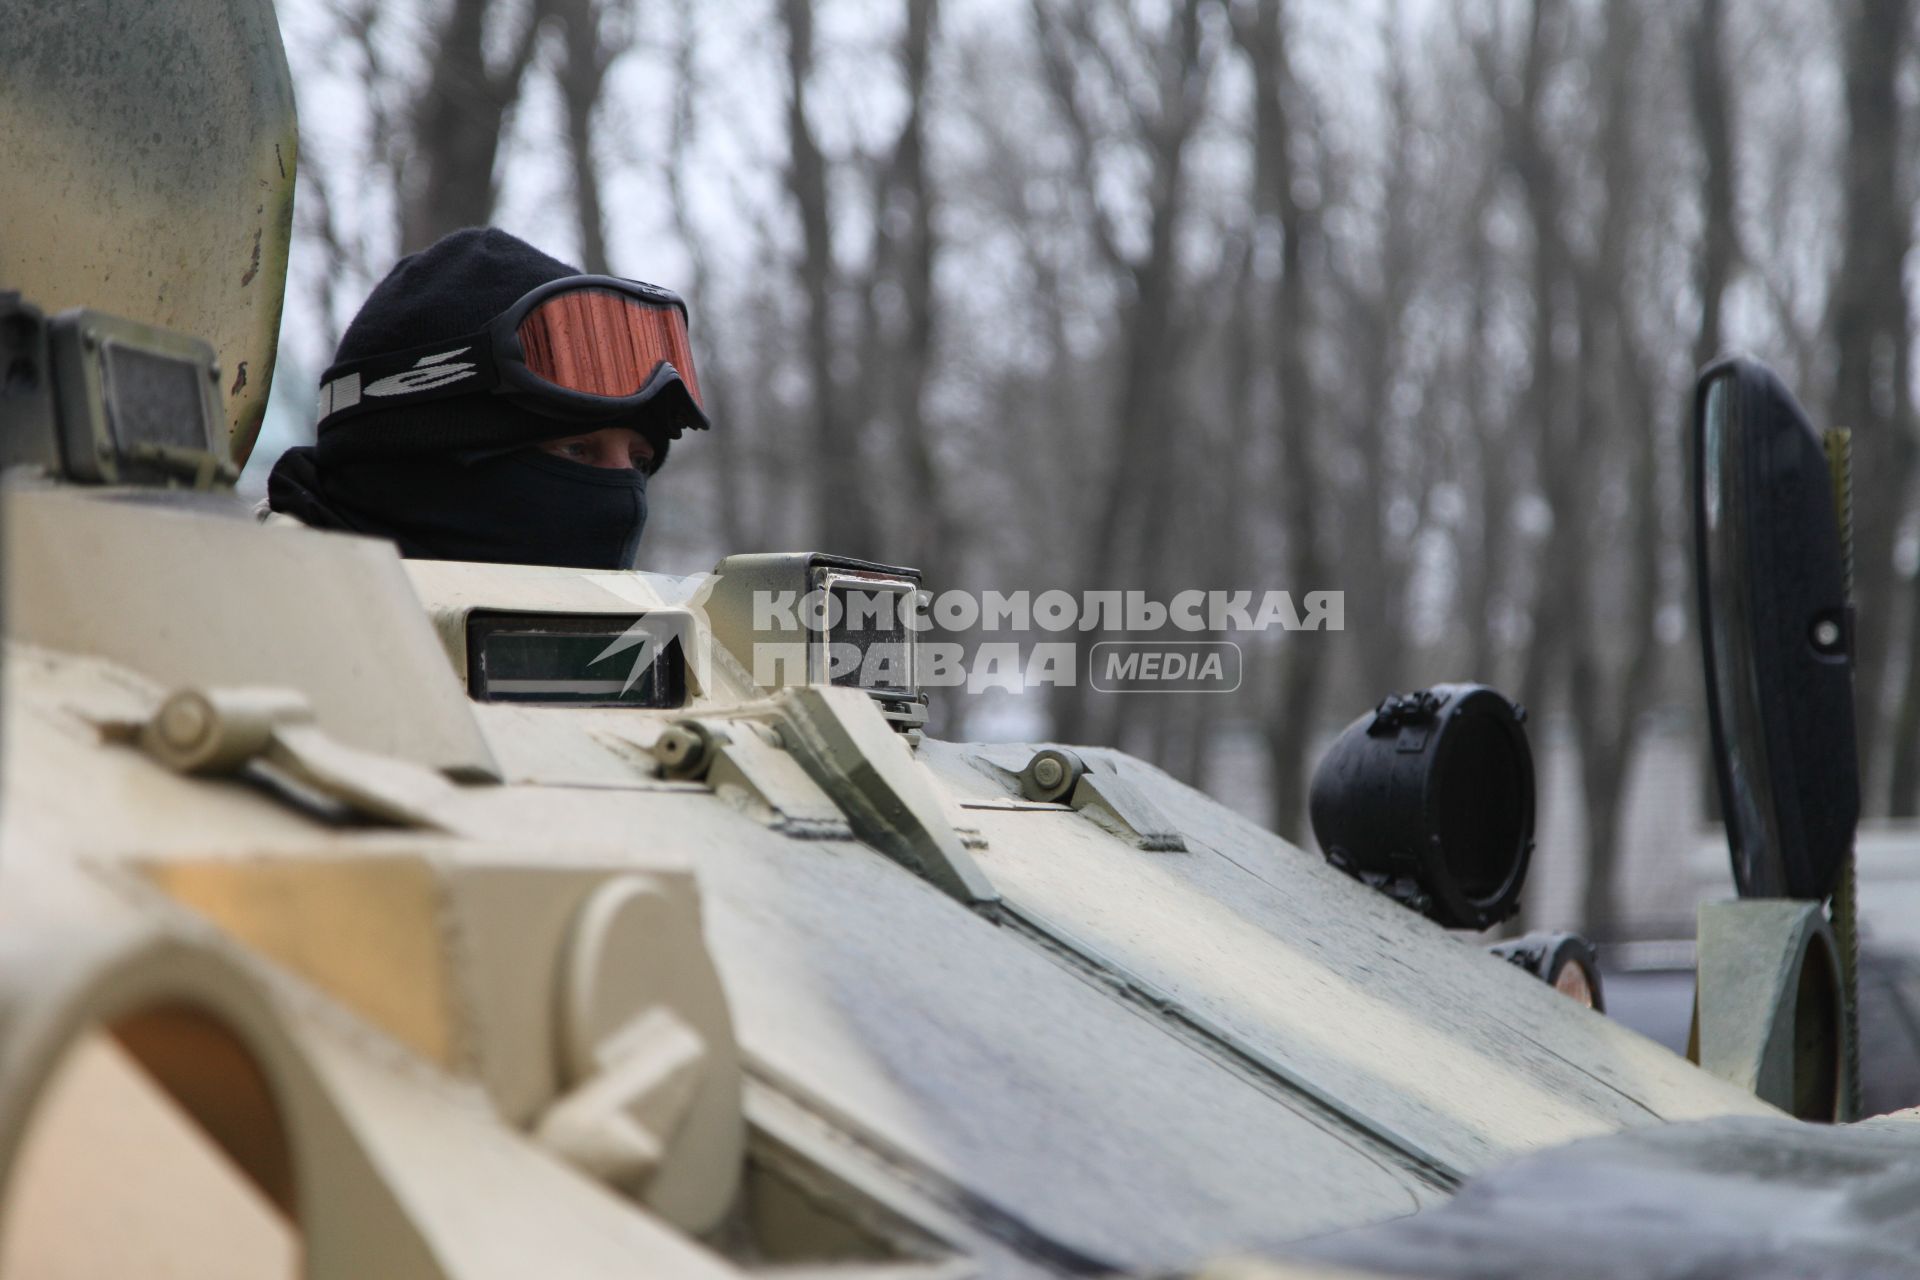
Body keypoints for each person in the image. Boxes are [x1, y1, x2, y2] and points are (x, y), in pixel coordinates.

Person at [265, 227, 708, 569]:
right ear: (418, 466)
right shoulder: (252, 628)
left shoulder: (653, 661)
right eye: (577, 449)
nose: (624, 497)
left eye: (639, 462)